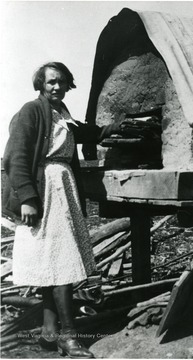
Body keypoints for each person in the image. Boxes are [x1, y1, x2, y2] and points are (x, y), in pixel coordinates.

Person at [3, 62, 120, 358]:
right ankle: (69, 338)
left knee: (53, 264)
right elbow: (16, 157)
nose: (57, 87)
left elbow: (88, 133)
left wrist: (120, 127)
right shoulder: (32, 111)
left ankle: (49, 333)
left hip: (62, 188)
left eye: (62, 82)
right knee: (62, 264)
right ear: (41, 84)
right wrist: (28, 197)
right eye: (51, 82)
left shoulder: (62, 114)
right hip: (45, 191)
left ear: (69, 85)